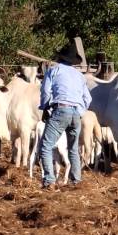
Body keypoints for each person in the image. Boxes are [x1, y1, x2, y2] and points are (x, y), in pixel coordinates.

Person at [39, 42, 92, 190]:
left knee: (46, 146)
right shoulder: (79, 75)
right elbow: (88, 99)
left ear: (60, 58)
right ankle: (76, 181)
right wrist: (79, 111)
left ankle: (49, 180)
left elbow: (45, 92)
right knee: (73, 148)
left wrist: (45, 107)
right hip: (76, 113)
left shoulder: (53, 71)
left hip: (60, 109)